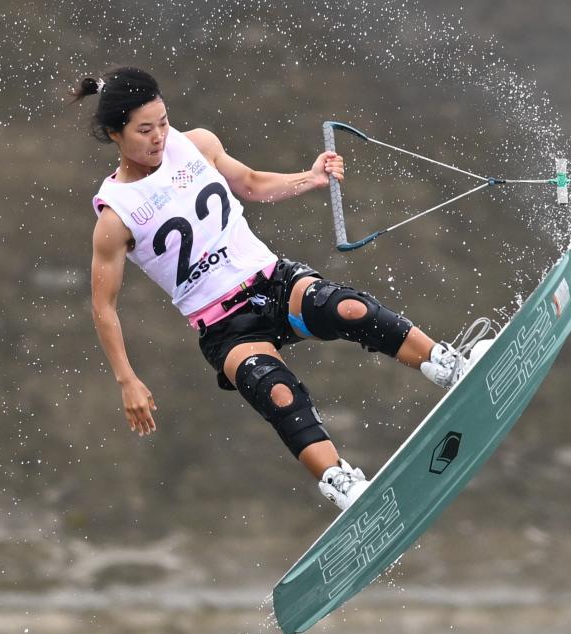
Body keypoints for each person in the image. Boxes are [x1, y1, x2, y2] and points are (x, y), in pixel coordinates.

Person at [80, 66, 485, 511]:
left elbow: (250, 184)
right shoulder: (115, 217)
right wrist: (127, 380)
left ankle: (448, 367)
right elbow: (104, 307)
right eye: (144, 130)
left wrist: (308, 179)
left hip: (272, 282)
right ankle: (342, 484)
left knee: (348, 309)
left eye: (163, 122)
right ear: (115, 134)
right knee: (276, 392)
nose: (159, 136)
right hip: (225, 326)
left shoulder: (197, 144)